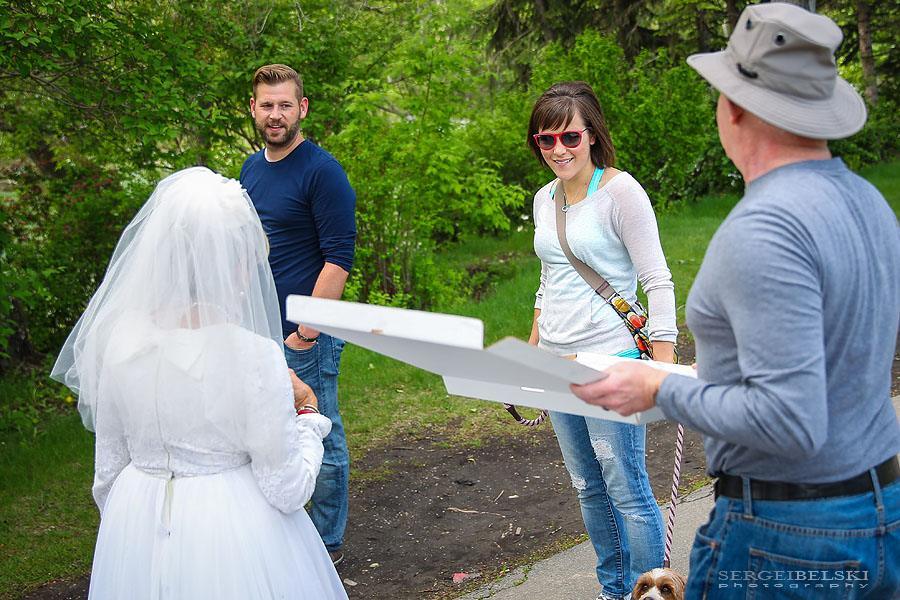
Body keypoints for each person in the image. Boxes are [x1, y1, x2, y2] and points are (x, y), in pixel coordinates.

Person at [570, 4, 900, 598]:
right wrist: (713, 373)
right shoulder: (869, 202)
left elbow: (791, 420)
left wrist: (659, 388)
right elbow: (833, 356)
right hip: (879, 513)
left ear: (737, 109)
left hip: (788, 538)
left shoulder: (764, 229)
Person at [50, 167, 348, 599]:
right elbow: (287, 489)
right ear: (242, 269)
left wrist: (132, 535)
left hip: (135, 526)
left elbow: (107, 476)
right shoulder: (252, 357)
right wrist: (307, 413)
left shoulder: (120, 345)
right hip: (231, 533)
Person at [526, 81, 678, 600]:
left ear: (591, 135)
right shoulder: (543, 199)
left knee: (626, 488)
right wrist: (531, 352)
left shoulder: (621, 191)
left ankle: (651, 594)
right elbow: (549, 278)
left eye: (568, 136)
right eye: (545, 140)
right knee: (588, 488)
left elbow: (657, 279)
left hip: (611, 356)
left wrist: (661, 362)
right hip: (556, 360)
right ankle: (614, 589)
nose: (558, 150)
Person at [240, 64, 357, 565]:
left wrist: (306, 333)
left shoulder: (321, 170)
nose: (275, 114)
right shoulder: (251, 169)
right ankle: (286, 533)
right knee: (266, 430)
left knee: (321, 429)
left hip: (306, 334)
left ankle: (326, 543)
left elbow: (338, 258)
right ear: (253, 108)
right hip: (261, 331)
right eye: (267, 104)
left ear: (302, 108)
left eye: (285, 104)